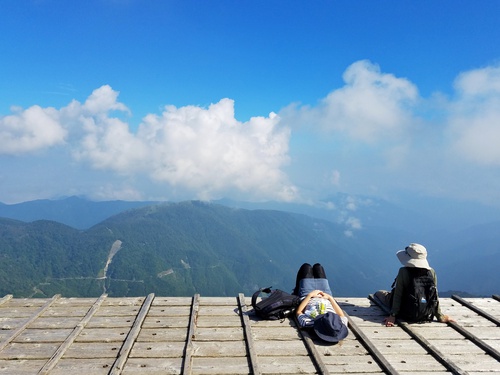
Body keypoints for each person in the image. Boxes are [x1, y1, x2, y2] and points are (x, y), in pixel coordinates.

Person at [374, 243, 455, 327]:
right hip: (425, 312)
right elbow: (434, 295)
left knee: (379, 293)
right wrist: (439, 316)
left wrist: (392, 315)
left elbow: (398, 294)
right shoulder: (431, 272)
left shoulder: (404, 271)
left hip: (405, 310)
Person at [293, 263, 348, 343]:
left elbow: (299, 312)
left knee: (306, 267)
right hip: (325, 295)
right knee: (318, 267)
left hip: (307, 296)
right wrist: (330, 298)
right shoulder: (339, 326)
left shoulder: (309, 323)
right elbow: (341, 315)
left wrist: (310, 295)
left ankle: (296, 291)